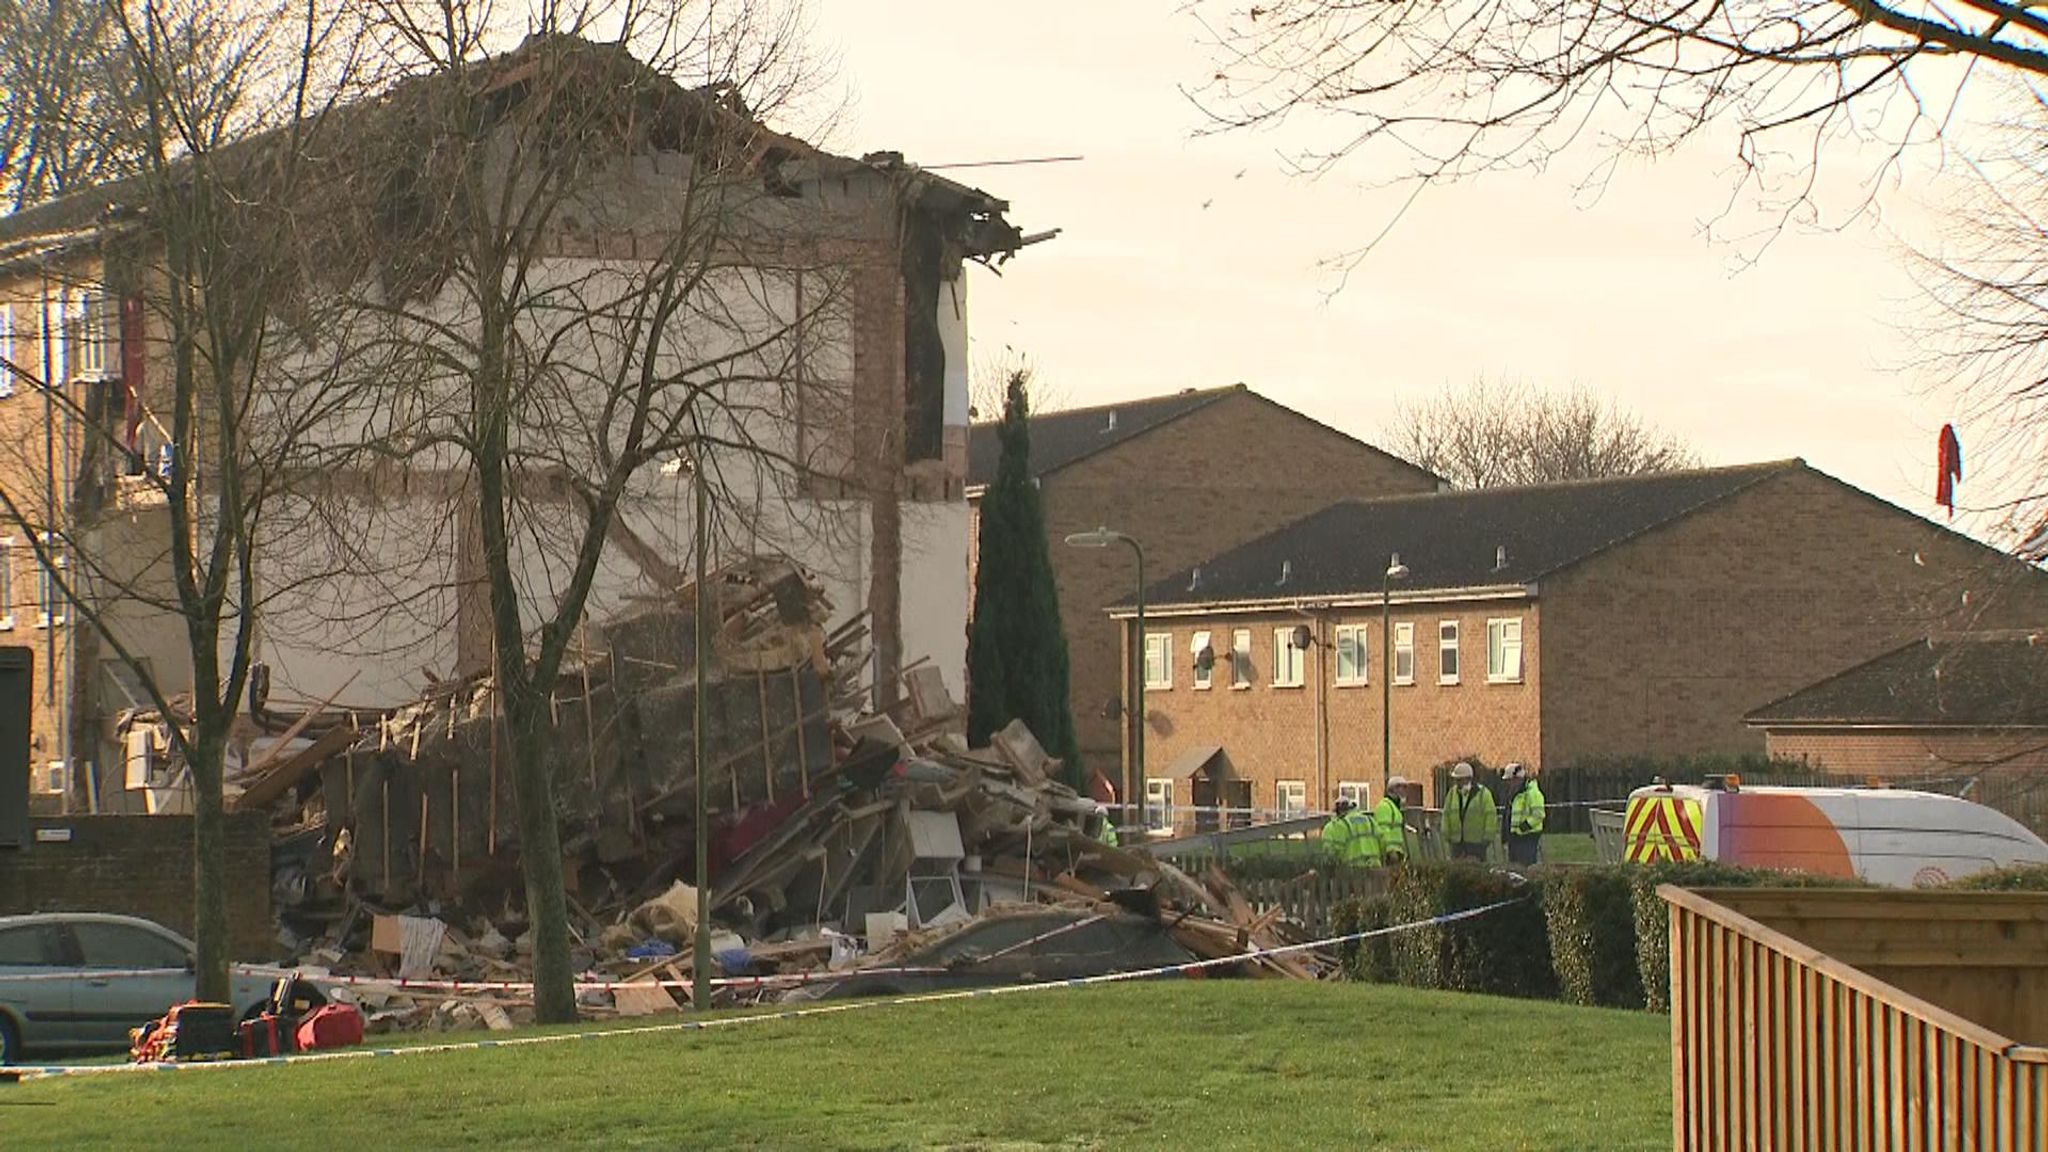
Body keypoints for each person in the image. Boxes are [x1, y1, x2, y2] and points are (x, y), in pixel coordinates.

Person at [1441, 761, 1497, 861]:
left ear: (1468, 779)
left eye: (1459, 780)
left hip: (1477, 844)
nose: (1457, 783)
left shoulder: (1483, 794)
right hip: (1456, 844)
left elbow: (1490, 816)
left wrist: (1487, 839)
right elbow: (1446, 814)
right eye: (1456, 780)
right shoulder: (1452, 794)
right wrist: (1447, 835)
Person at [1502, 761, 1546, 866]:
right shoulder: (1513, 795)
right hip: (1515, 837)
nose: (1508, 784)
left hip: (1528, 837)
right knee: (1515, 868)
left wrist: (1524, 827)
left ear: (1517, 779)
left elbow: (1539, 814)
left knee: (1526, 867)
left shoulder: (1532, 793)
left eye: (1510, 781)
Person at [1322, 796, 1382, 867]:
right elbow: (1382, 841)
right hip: (1374, 868)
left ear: (1338, 811)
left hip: (1353, 871)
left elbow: (1331, 852)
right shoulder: (1370, 820)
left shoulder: (1339, 826)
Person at [1374, 778, 1410, 865]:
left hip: (1398, 853)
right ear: (1394, 789)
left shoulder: (1395, 808)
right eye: (1402, 787)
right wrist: (1390, 851)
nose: (1405, 791)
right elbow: (1383, 831)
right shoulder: (1385, 806)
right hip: (1391, 855)